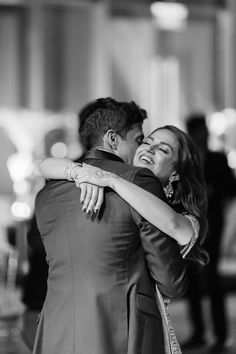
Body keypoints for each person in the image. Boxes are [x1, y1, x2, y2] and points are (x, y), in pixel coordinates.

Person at [33, 97, 189, 354]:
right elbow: (170, 280)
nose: (142, 150)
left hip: (55, 330)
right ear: (113, 139)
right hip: (120, 330)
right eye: (140, 140)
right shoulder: (138, 180)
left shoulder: (47, 192)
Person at [184, 113, 236, 353]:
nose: (203, 134)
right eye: (199, 130)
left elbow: (231, 188)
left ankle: (221, 335)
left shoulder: (217, 158)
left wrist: (213, 191)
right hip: (190, 225)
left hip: (213, 223)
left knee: (213, 280)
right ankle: (199, 333)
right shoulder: (185, 160)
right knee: (192, 279)